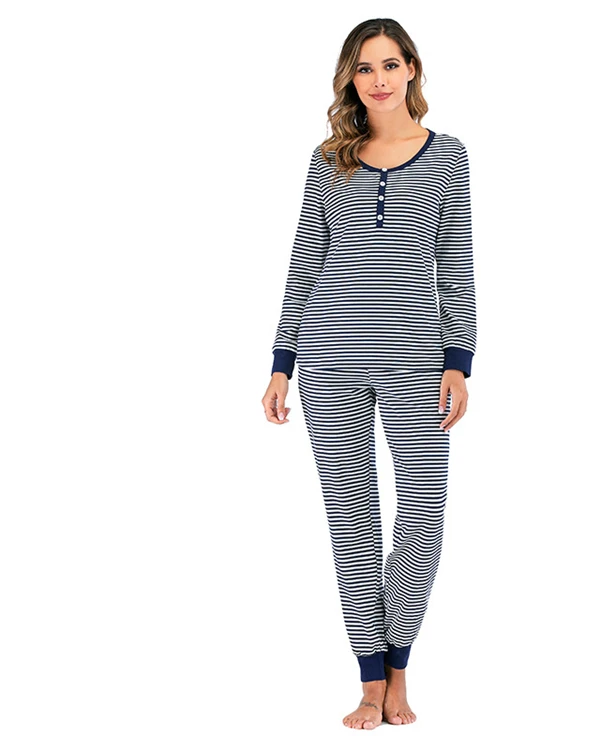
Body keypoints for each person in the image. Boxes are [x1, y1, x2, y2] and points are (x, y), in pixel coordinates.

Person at [261, 17, 477, 730]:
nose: (377, 79)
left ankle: (400, 663)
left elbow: (455, 264)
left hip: (419, 361)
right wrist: (281, 364)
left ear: (411, 68)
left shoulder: (448, 155)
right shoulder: (330, 158)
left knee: (420, 516)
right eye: (363, 68)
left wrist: (459, 363)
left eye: (388, 64)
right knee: (352, 521)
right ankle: (369, 679)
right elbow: (305, 261)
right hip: (328, 363)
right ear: (349, 80)